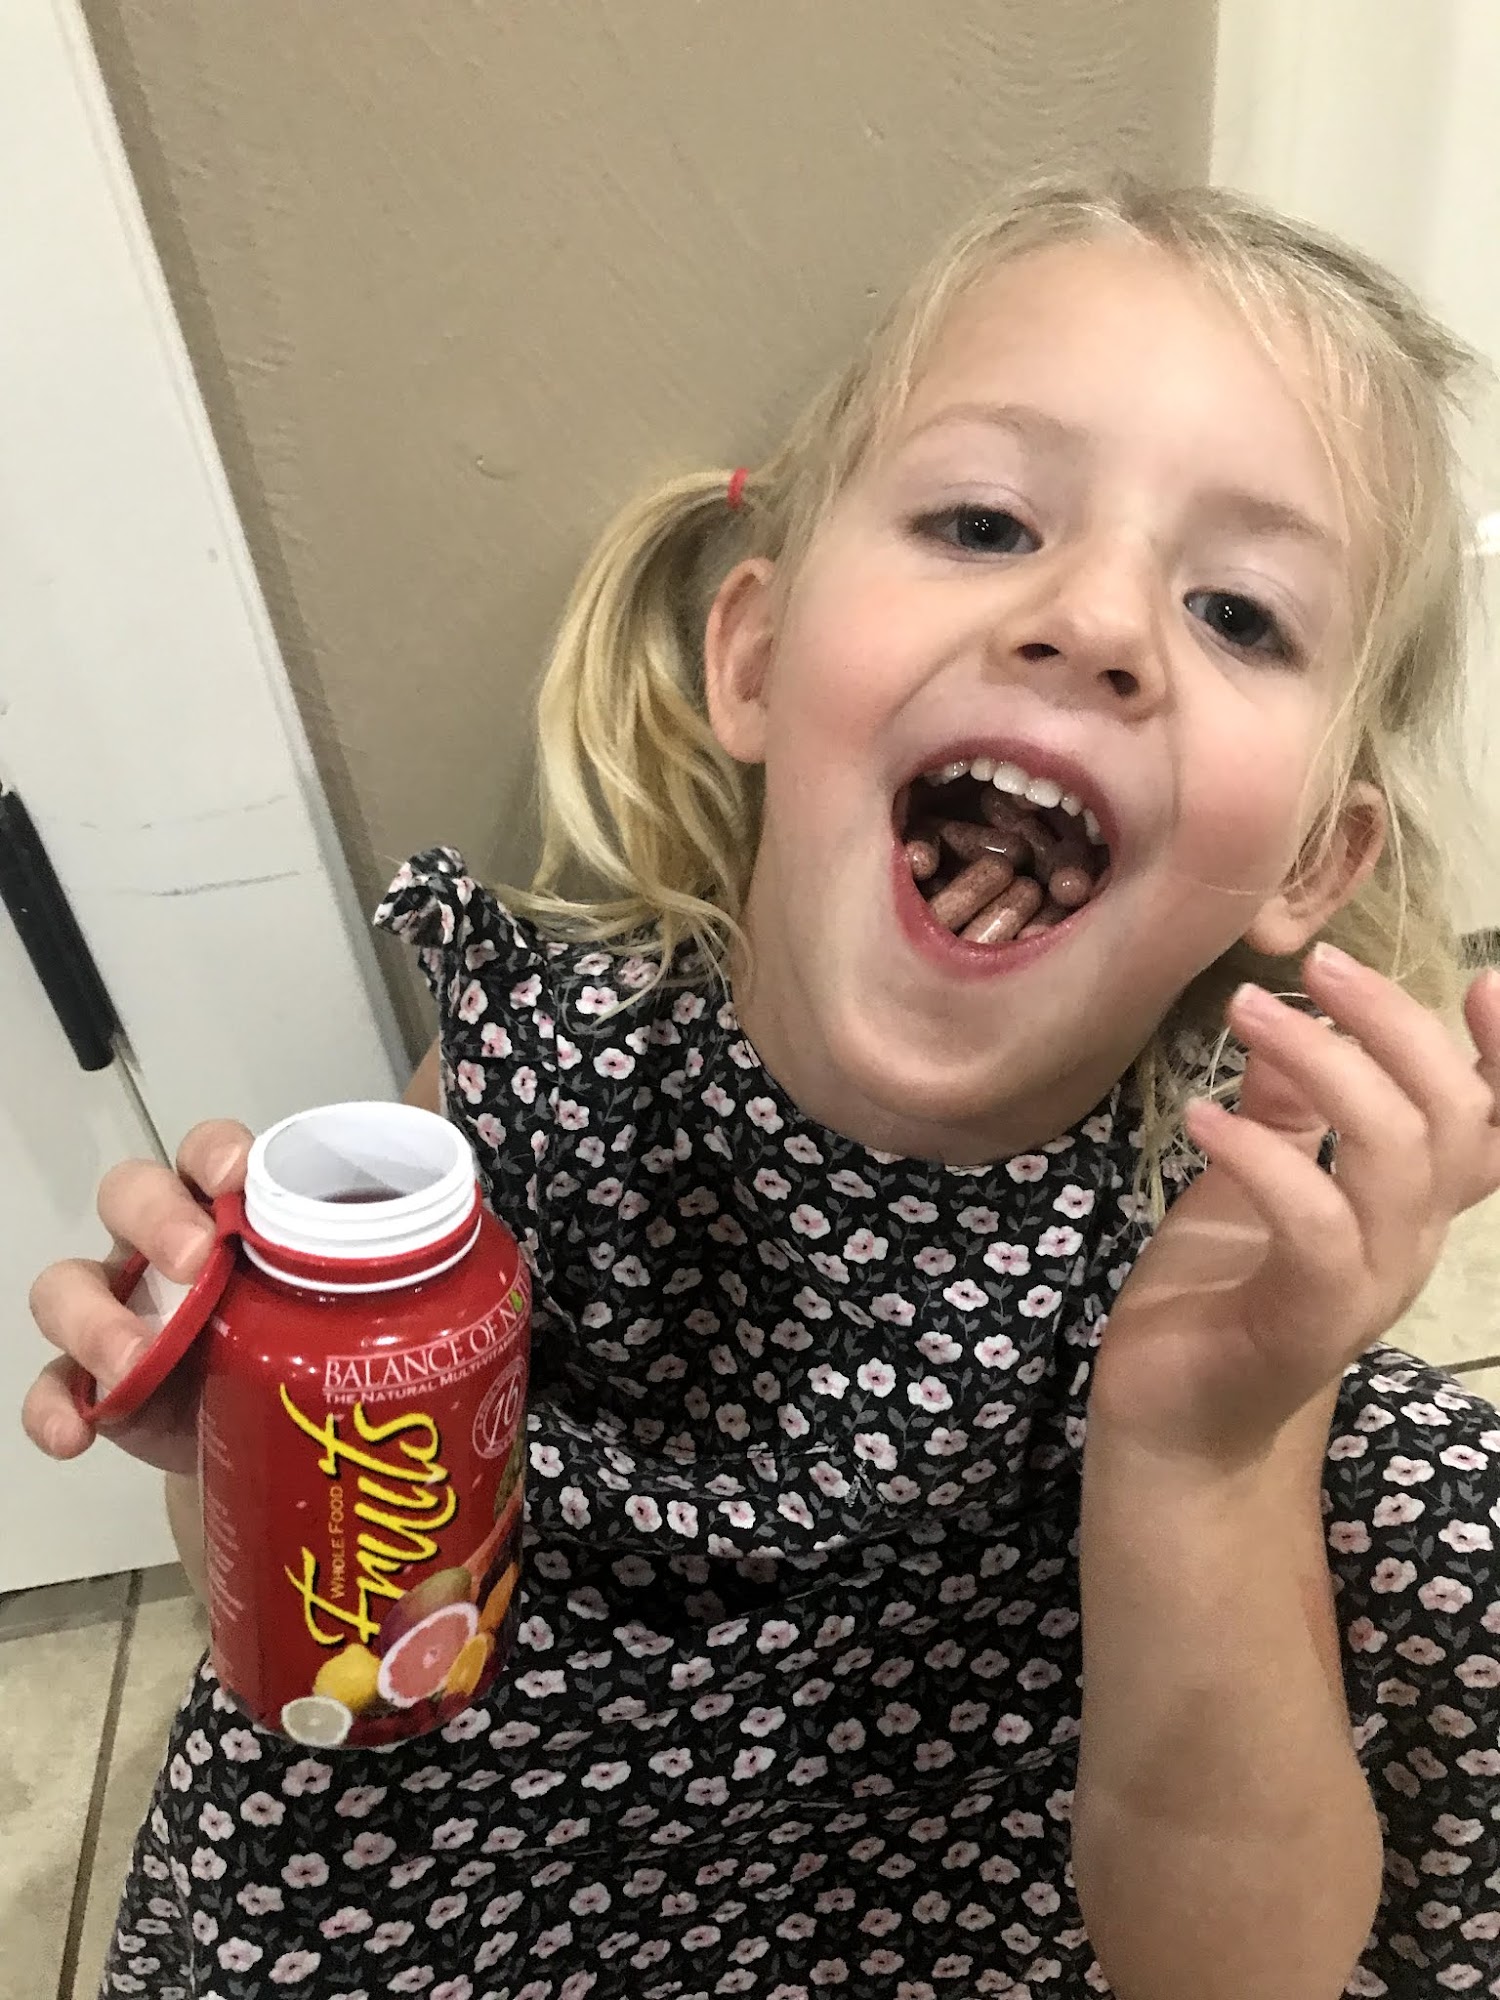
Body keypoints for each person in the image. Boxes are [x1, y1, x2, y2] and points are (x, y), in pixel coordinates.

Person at [23, 176, 1500, 2000]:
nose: (1099, 619)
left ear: (1313, 858)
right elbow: (320, 1659)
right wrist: (245, 1449)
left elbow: (1229, 1976)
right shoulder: (529, 1080)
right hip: (482, 1882)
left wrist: (1200, 1463)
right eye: (983, 521)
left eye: (1241, 614)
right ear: (757, 660)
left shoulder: (1227, 1268)